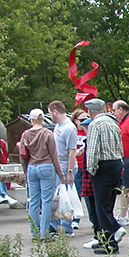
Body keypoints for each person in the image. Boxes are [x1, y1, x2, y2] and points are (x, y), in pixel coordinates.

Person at [85, 98, 124, 254]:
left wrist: (91, 169)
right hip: (116, 164)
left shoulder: (95, 125)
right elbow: (120, 147)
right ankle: (104, 238)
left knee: (101, 207)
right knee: (108, 204)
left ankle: (109, 244)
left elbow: (93, 150)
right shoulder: (113, 123)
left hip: (103, 166)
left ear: (90, 111)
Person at [19, 108, 66, 241]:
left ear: (31, 120)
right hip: (46, 167)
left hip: (32, 167)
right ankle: (45, 233)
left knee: (33, 201)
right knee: (46, 201)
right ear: (42, 119)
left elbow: (22, 156)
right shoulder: (47, 134)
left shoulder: (25, 135)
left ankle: (34, 232)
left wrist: (25, 171)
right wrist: (61, 174)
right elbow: (54, 156)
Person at [47, 100, 78, 236]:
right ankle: (54, 225)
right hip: (57, 167)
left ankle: (67, 227)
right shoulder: (58, 126)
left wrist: (70, 171)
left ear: (55, 112)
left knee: (65, 199)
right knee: (55, 198)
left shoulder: (69, 128)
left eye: (50, 113)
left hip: (66, 167)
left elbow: (72, 151)